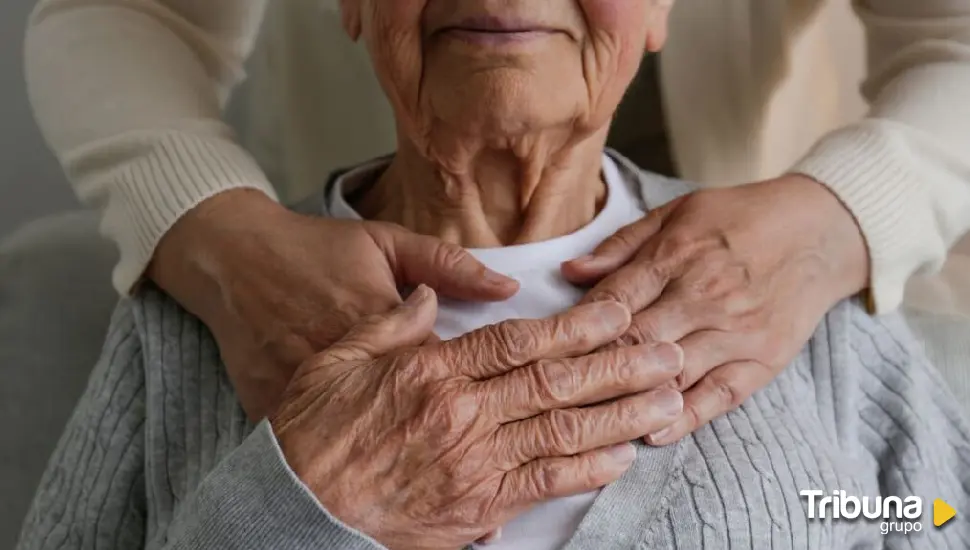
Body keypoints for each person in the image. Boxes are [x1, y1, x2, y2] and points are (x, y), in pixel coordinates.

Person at [17, 1, 970, 548]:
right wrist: (294, 511)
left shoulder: (805, 313)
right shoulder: (204, 314)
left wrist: (838, 221)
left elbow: (928, 512)